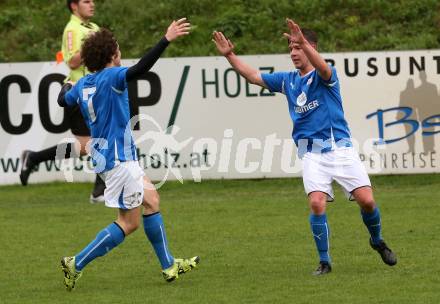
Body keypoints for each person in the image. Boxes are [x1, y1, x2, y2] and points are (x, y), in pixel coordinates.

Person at [212, 19, 397, 275]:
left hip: (339, 148)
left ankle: (377, 240)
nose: (293, 53)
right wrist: (230, 56)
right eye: (291, 49)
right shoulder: (288, 80)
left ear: (311, 47)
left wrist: (303, 42)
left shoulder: (326, 76)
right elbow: (253, 76)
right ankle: (325, 262)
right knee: (317, 204)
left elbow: (321, 65)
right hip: (311, 153)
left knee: (367, 201)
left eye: (298, 47)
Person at [58, 19, 198, 291]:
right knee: (128, 223)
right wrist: (166, 39)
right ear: (112, 55)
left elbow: (63, 101)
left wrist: (64, 89)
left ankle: (169, 265)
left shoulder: (85, 83)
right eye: (118, 49)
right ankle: (76, 262)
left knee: (152, 200)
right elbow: (142, 68)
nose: (121, 53)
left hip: (111, 157)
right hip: (118, 159)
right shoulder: (112, 77)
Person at [19, 0, 105, 203]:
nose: (91, 4)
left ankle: (34, 158)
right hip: (77, 91)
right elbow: (73, 62)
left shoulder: (94, 27)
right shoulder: (72, 29)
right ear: (74, 6)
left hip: (95, 92)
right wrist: (91, 44)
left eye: (92, 1)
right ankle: (99, 191)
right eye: (86, 1)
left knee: (95, 142)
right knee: (91, 144)